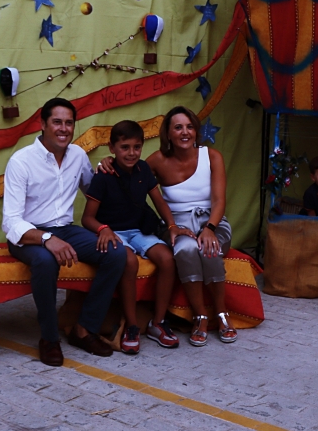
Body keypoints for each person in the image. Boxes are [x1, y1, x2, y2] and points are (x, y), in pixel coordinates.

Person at [2, 98, 127, 368]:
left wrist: (108, 165)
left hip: (66, 230)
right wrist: (47, 239)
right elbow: (11, 221)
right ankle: (49, 339)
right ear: (43, 124)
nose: (64, 128)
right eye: (57, 122)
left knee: (116, 253)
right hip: (28, 236)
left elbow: (94, 191)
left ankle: (84, 329)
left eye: (69, 123)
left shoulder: (78, 156)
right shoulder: (21, 161)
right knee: (46, 262)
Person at [80, 120, 186, 354]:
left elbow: (159, 202)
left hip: (138, 232)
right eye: (124, 147)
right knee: (129, 261)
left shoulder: (143, 170)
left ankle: (157, 323)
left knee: (168, 259)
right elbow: (87, 218)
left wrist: (171, 226)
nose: (131, 153)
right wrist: (103, 229)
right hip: (113, 233)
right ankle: (131, 325)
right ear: (112, 148)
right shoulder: (103, 175)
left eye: (136, 147)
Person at [149, 106, 237, 346]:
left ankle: (222, 314)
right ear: (168, 133)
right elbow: (130, 175)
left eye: (189, 127)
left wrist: (209, 228)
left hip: (213, 220)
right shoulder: (157, 160)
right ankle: (200, 316)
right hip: (179, 225)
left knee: (209, 248)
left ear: (196, 131)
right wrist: (106, 163)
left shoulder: (213, 156)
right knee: (187, 249)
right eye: (178, 127)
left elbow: (219, 200)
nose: (185, 132)